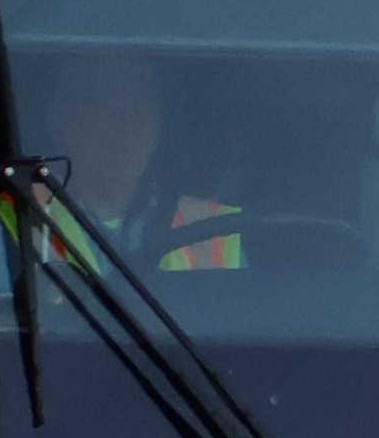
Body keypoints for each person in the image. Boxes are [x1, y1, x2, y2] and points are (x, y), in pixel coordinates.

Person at [14, 47, 246, 272]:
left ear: (160, 120)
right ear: (58, 119)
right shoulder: (17, 216)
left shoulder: (217, 229)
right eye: (102, 102)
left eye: (140, 101)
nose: (126, 122)